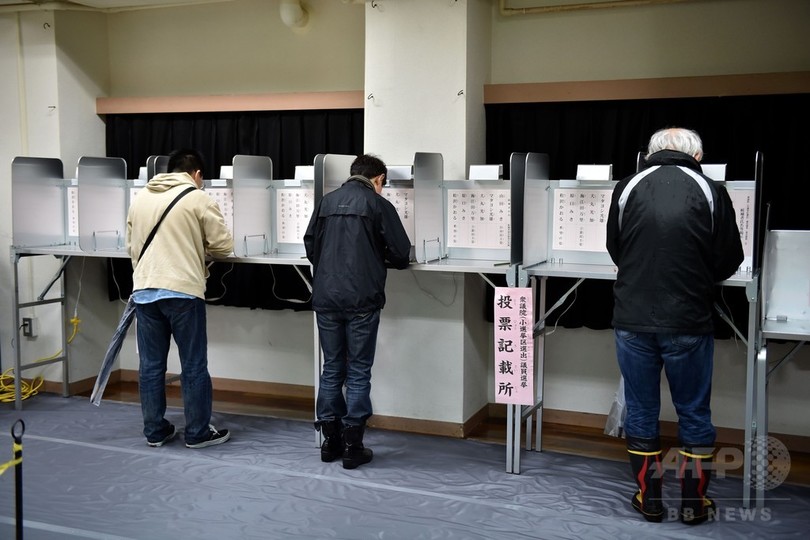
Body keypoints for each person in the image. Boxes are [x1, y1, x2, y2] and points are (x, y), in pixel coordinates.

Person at [606, 128, 744, 524]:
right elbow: (728, 257)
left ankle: (649, 500)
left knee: (642, 410)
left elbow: (616, 247)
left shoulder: (628, 185)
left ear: (650, 153)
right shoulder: (710, 189)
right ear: (697, 154)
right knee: (694, 413)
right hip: (688, 317)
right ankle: (693, 505)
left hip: (631, 317)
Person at [304, 154, 411, 469]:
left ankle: (329, 442)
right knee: (359, 370)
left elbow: (311, 246)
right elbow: (402, 254)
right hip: (362, 299)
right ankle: (353, 446)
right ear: (379, 180)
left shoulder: (326, 201)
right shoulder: (378, 205)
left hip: (325, 298)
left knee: (332, 368)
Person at [126, 148, 234, 449]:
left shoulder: (140, 199)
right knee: (194, 365)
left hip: (145, 290)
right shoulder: (198, 198)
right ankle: (198, 433)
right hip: (183, 291)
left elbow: (130, 246)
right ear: (196, 174)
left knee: (150, 366)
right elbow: (223, 247)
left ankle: (155, 431)